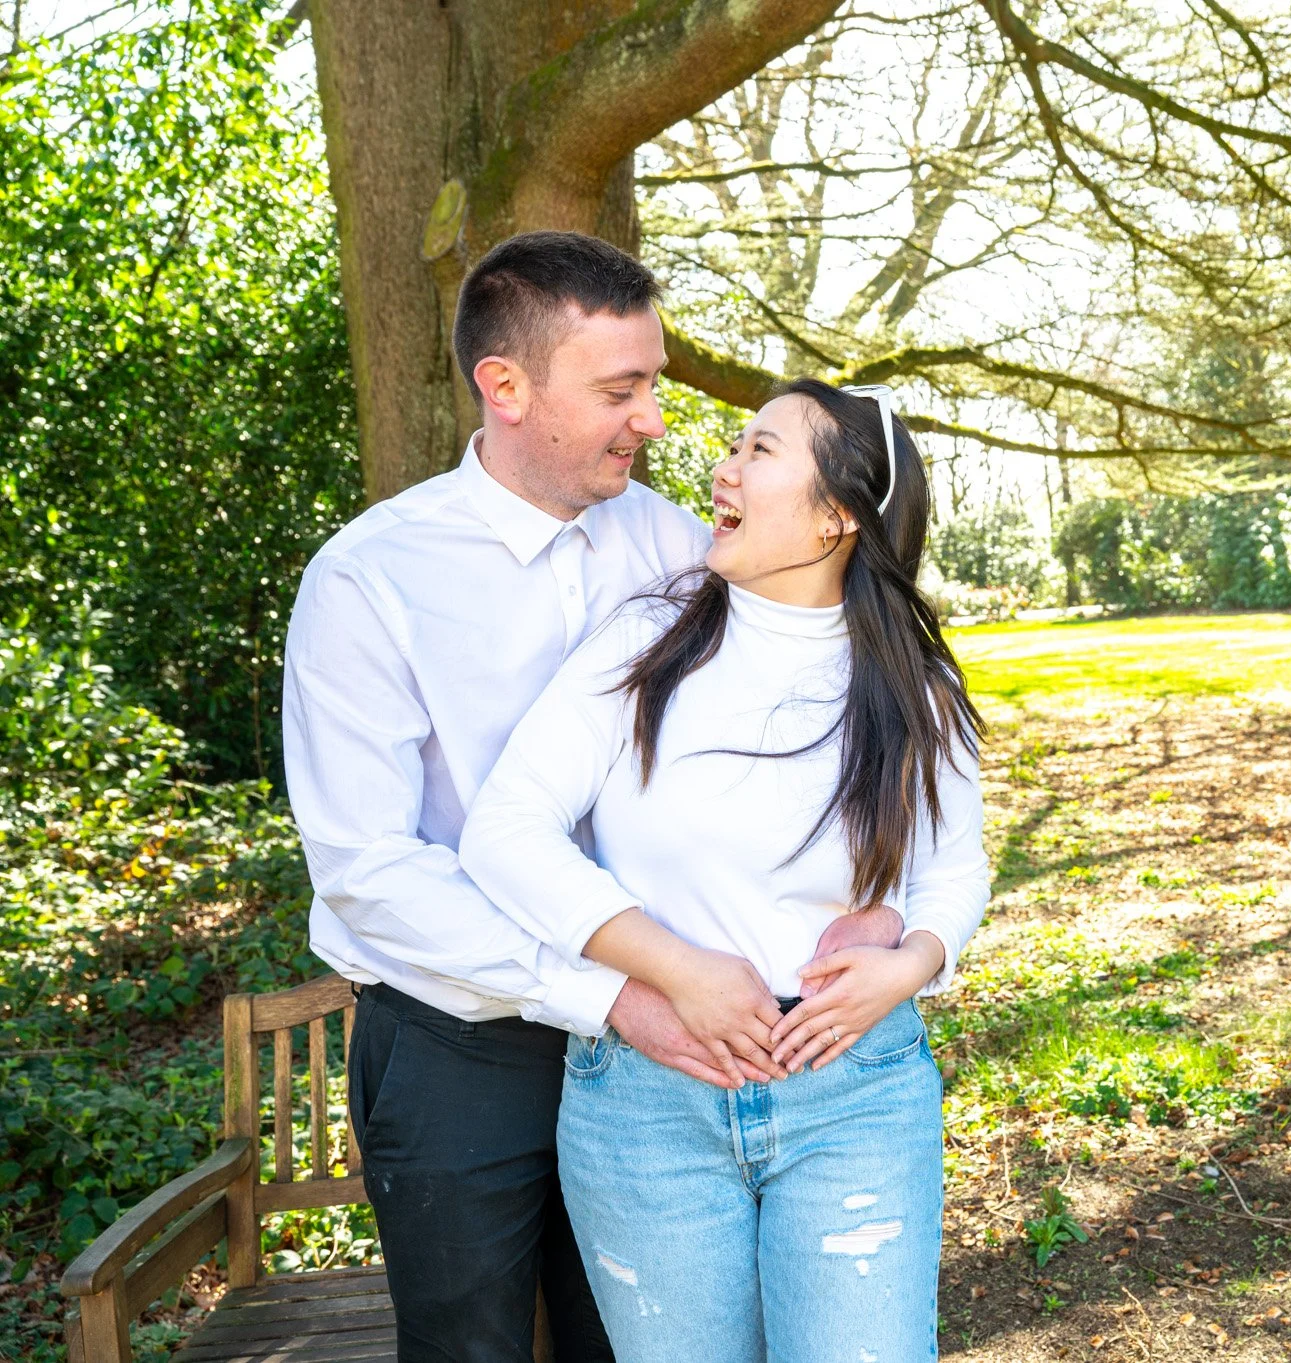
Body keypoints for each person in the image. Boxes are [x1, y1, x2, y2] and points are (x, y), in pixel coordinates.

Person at [283, 231, 902, 1361]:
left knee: (635, 1343)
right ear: (506, 386)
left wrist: (885, 900)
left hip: (667, 1054)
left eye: (653, 383)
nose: (653, 420)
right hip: (464, 1043)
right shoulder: (370, 579)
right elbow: (370, 869)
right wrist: (609, 993)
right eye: (620, 390)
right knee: (469, 1350)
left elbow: (834, 678)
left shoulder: (677, 547)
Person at [458, 378, 989, 1362]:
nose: (723, 467)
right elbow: (504, 832)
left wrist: (910, 961)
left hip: (853, 1095)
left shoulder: (914, 688)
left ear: (836, 515)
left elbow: (954, 866)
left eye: (760, 451)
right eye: (736, 446)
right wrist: (676, 967)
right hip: (648, 1101)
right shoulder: (646, 646)